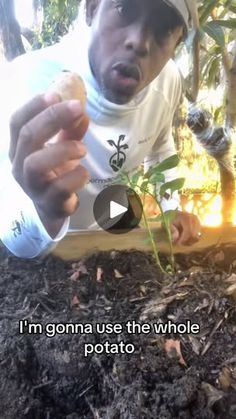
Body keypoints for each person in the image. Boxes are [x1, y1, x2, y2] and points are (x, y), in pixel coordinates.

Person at [0, 0, 201, 258]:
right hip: (46, 251)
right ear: (92, 9)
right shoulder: (27, 81)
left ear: (176, 45)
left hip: (114, 237)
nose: (139, 42)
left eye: (163, 29)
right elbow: (11, 237)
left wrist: (170, 207)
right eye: (124, 10)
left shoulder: (168, 81)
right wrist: (45, 211)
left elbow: (161, 148)